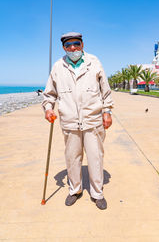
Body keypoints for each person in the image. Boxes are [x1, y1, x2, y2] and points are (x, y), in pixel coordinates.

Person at [42, 32, 113, 210]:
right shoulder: (58, 66)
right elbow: (49, 94)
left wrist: (107, 112)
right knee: (72, 158)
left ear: (82, 44)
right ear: (64, 48)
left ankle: (97, 193)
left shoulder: (94, 62)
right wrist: (48, 108)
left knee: (95, 157)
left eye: (76, 44)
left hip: (92, 120)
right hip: (69, 121)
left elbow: (105, 91)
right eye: (68, 45)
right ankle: (75, 190)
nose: (73, 48)